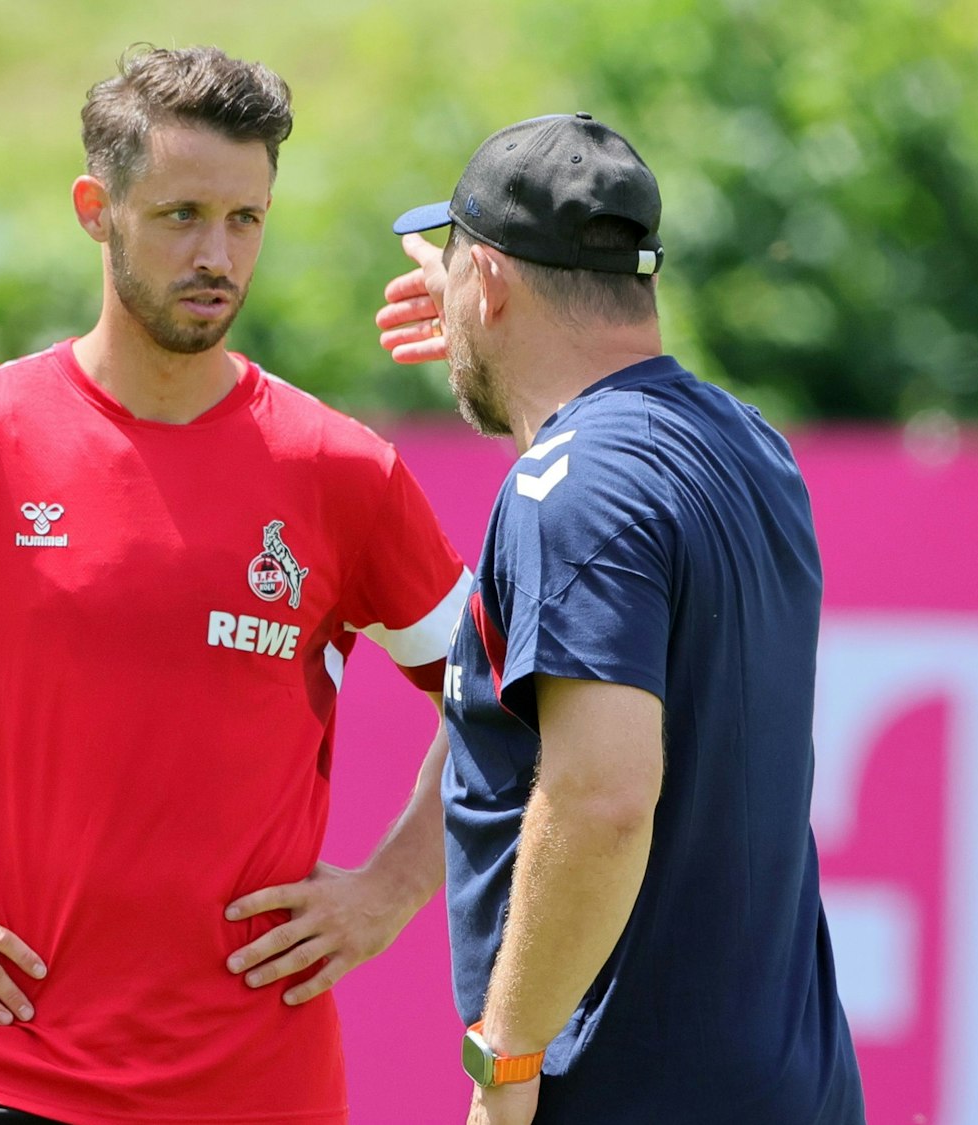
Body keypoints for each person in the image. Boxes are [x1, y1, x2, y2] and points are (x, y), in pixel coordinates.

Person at [0, 47, 472, 1125]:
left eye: (245, 220)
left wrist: (390, 888)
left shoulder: (339, 472)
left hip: (254, 1089)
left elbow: (501, 694)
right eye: (181, 214)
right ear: (92, 209)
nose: (217, 255)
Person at [375, 114, 865, 1124]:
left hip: (633, 1095)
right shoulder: (746, 444)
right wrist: (487, 319)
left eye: (459, 265)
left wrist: (503, 1068)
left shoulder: (572, 484)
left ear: (493, 281)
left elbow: (600, 798)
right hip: (783, 1090)